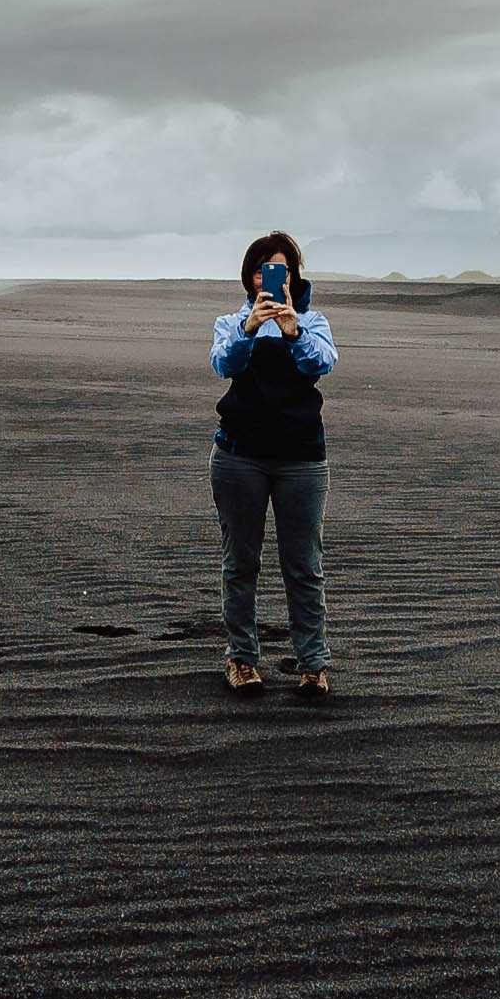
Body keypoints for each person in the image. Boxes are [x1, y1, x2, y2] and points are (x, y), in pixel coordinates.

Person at [208, 229, 336, 696]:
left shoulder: (313, 322)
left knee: (304, 566)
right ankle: (242, 660)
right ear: (249, 276)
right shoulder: (231, 321)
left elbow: (322, 363)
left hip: (301, 459)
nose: (268, 275)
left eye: (277, 267)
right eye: (261, 267)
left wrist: (292, 329)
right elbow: (222, 363)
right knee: (240, 562)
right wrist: (249, 329)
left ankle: (313, 665)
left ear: (292, 276)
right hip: (239, 456)